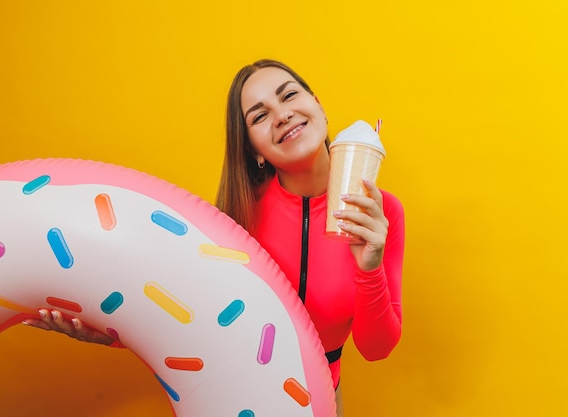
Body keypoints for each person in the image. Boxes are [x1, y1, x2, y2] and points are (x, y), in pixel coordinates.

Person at [24, 59, 405, 416]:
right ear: (254, 149)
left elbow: (376, 349)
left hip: (321, 402)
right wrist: (110, 331)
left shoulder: (381, 212)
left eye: (289, 95)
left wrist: (369, 267)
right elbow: (187, 310)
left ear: (318, 106)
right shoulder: (237, 217)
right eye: (259, 115)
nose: (282, 114)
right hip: (233, 397)